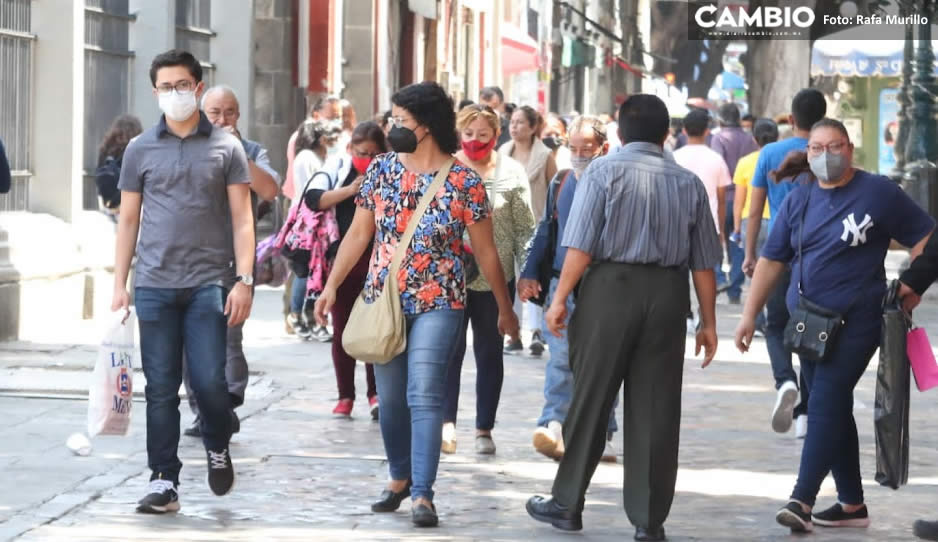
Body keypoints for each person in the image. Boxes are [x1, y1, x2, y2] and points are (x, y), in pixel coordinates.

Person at [313, 81, 520, 528]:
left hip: (441, 299)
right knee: (390, 400)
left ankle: (423, 494)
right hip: (382, 298)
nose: (392, 127)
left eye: (400, 121)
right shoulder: (382, 170)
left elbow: (486, 253)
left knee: (423, 393)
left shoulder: (464, 181)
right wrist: (331, 286)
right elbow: (358, 234)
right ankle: (399, 476)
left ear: (424, 127)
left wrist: (505, 307)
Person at [525, 94, 720, 541]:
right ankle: (649, 521)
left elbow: (581, 246)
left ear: (621, 134)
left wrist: (560, 300)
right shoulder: (687, 182)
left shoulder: (602, 173)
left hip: (609, 290)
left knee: (591, 394)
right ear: (664, 133)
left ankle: (567, 502)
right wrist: (708, 322)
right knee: (657, 406)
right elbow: (704, 262)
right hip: (669, 294)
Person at [735, 119, 933, 534]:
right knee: (832, 404)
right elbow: (773, 259)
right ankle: (851, 504)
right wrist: (749, 315)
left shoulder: (878, 191)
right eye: (818, 148)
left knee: (825, 398)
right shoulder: (799, 198)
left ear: (850, 148)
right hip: (808, 322)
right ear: (808, 153)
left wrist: (913, 283)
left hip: (859, 319)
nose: (827, 155)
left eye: (835, 146)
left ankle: (802, 499)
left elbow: (926, 236)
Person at [111, 49, 254, 513]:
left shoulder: (226, 147)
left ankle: (217, 441)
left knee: (211, 383)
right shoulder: (139, 150)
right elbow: (128, 220)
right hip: (153, 284)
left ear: (198, 86)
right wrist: (119, 283)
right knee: (159, 386)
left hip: (209, 283)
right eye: (165, 87)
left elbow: (242, 219)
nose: (175, 93)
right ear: (156, 92)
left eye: (182, 85)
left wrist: (245, 280)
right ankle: (164, 480)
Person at [181, 84, 281, 439]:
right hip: (188, 258)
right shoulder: (188, 147)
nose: (223, 119)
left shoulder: (252, 150)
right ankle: (204, 410)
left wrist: (236, 151)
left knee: (227, 336)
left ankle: (225, 402)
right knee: (189, 343)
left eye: (230, 113)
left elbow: (269, 189)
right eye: (215, 113)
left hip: (233, 262)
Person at [518, 115, 619, 463]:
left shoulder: (615, 182)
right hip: (562, 281)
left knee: (601, 362)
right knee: (561, 358)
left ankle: (601, 432)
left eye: (586, 149)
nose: (578, 155)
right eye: (572, 148)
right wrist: (530, 272)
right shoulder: (561, 181)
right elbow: (547, 228)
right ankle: (554, 423)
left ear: (603, 149)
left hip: (603, 283)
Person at [440, 104, 535, 456]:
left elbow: (526, 227)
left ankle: (484, 427)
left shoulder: (512, 172)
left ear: (496, 135)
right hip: (451, 276)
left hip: (497, 278)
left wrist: (527, 272)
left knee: (490, 352)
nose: (474, 141)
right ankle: (446, 423)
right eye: (468, 134)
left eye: (482, 135)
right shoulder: (447, 168)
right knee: (449, 351)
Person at [744, 89, 826, 438]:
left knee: (775, 325)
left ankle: (784, 381)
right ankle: (806, 413)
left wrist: (749, 253)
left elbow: (755, 207)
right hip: (818, 256)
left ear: (791, 120)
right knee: (810, 330)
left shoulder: (770, 153)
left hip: (778, 253)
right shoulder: (827, 152)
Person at [303, 121, 387, 419]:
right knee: (341, 331)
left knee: (375, 330)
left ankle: (375, 393)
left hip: (377, 263)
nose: (366, 158)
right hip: (341, 262)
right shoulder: (338, 169)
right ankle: (345, 396)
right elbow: (313, 199)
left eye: (374, 154)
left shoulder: (389, 174)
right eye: (361, 152)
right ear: (351, 149)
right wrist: (350, 190)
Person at [281, 95, 343, 332]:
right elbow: (314, 192)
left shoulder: (314, 156)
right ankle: (299, 315)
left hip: (312, 218)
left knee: (309, 268)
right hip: (309, 221)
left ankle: (303, 315)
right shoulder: (308, 157)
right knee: (305, 269)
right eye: (331, 117)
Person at [500, 105, 557, 356]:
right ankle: (513, 333)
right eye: (512, 122)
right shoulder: (502, 152)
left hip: (534, 226)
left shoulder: (545, 156)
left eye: (521, 122)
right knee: (507, 280)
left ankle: (536, 331)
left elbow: (554, 192)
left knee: (531, 277)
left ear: (533, 127)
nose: (514, 127)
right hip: (504, 225)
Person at [731, 118, 778, 332]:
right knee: (778, 273)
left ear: (754, 139)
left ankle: (757, 320)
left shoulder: (746, 162)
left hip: (752, 221)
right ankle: (776, 316)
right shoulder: (784, 158)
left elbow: (739, 200)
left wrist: (737, 228)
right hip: (779, 221)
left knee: (754, 271)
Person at [673, 110, 731, 275]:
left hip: (677, 221)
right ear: (707, 131)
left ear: (684, 130)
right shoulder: (716, 159)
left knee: (678, 271)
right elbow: (721, 200)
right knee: (706, 270)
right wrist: (720, 230)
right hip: (708, 222)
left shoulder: (673, 157)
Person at [710, 103, 759, 303]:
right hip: (744, 198)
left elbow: (717, 166)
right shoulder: (750, 139)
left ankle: (721, 278)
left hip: (722, 199)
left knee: (715, 241)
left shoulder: (718, 138)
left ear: (720, 120)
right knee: (739, 244)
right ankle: (735, 290)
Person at [96, 115, 144, 213]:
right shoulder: (136, 149)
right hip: (128, 205)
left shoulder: (105, 148)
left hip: (107, 203)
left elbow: (98, 171)